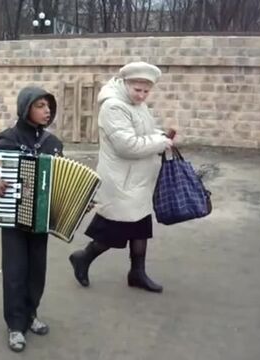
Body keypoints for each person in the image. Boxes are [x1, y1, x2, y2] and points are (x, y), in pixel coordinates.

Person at [68, 61, 174, 293]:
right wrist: (159, 142)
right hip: (121, 182)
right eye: (138, 90)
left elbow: (142, 132)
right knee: (113, 232)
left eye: (146, 91)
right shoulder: (113, 107)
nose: (142, 95)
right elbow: (126, 145)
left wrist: (159, 135)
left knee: (140, 228)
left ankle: (137, 273)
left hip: (138, 180)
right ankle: (83, 257)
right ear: (125, 83)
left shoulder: (138, 105)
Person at [0, 86, 63, 352]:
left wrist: (75, 203)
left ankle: (31, 314)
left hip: (40, 220)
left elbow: (61, 181)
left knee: (37, 271)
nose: (46, 111)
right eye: (40, 105)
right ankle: (15, 325)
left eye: (48, 106)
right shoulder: (9, 138)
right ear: (26, 109)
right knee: (14, 272)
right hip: (12, 217)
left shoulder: (53, 144)